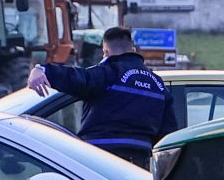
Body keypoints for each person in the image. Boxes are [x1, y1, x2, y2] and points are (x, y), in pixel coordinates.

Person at [28, 26, 175, 163]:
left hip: (101, 156)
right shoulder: (157, 84)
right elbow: (168, 134)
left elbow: (79, 78)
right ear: (134, 50)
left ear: (105, 52)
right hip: (138, 158)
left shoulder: (109, 72)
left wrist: (42, 70)